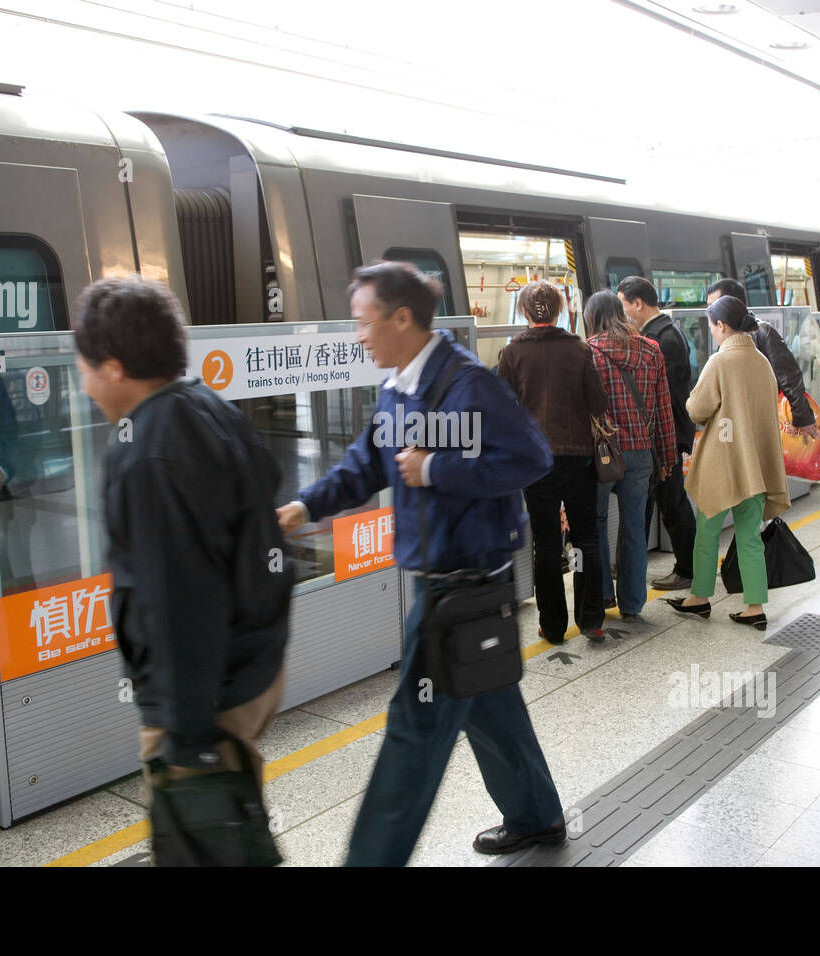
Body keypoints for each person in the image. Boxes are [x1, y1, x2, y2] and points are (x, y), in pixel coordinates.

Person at [277, 261, 566, 864]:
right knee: (491, 710)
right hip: (448, 589)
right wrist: (305, 506)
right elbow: (365, 464)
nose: (358, 334)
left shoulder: (468, 386)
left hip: (460, 593)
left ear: (402, 318)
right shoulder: (399, 387)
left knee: (412, 737)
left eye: (364, 321)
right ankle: (536, 817)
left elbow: (533, 458)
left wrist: (438, 468)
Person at [73, 276, 292, 863]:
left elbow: (177, 603)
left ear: (115, 368)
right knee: (230, 818)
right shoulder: (211, 407)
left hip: (206, 696)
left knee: (206, 832)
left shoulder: (149, 453)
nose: (85, 382)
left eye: (87, 367)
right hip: (252, 667)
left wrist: (186, 738)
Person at [665, 296, 790, 631]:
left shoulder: (720, 362)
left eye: (711, 325)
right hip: (756, 465)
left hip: (724, 463)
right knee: (749, 535)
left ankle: (700, 598)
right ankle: (754, 606)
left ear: (721, 325)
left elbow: (697, 410)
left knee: (707, 532)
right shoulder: (761, 361)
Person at [498, 279, 608, 643]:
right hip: (578, 458)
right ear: (559, 310)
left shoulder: (512, 353)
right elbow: (598, 403)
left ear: (525, 311)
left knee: (545, 545)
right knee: (584, 539)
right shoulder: (578, 349)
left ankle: (554, 625)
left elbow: (501, 408)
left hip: (535, 463)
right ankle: (590, 618)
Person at [583, 290, 677, 623]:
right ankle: (633, 603)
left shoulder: (588, 353)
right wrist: (666, 456)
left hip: (600, 455)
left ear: (591, 317)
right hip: (640, 454)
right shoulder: (651, 351)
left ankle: (603, 595)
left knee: (594, 525)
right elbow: (663, 409)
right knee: (634, 527)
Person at [617, 275, 697, 591]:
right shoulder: (663, 332)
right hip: (664, 433)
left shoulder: (661, 339)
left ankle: (688, 569)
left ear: (637, 304)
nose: (623, 314)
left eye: (624, 306)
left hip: (666, 434)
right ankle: (632, 563)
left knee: (672, 502)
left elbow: (662, 395)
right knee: (654, 500)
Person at [705, 278, 818, 438]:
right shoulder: (723, 335)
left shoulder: (762, 332)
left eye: (713, 304)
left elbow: (788, 376)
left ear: (733, 303)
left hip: (761, 420)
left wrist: (802, 417)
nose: (710, 311)